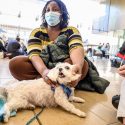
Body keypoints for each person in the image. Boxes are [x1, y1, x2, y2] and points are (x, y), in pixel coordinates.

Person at [9, 0, 89, 87]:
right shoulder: (37, 32)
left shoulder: (70, 30)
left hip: (63, 66)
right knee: (15, 64)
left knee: (83, 65)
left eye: (55, 9)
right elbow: (34, 55)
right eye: (48, 10)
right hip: (41, 66)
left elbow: (76, 47)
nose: (51, 12)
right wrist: (44, 71)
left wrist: (78, 66)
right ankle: (53, 80)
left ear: (62, 13)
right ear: (44, 14)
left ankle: (47, 80)